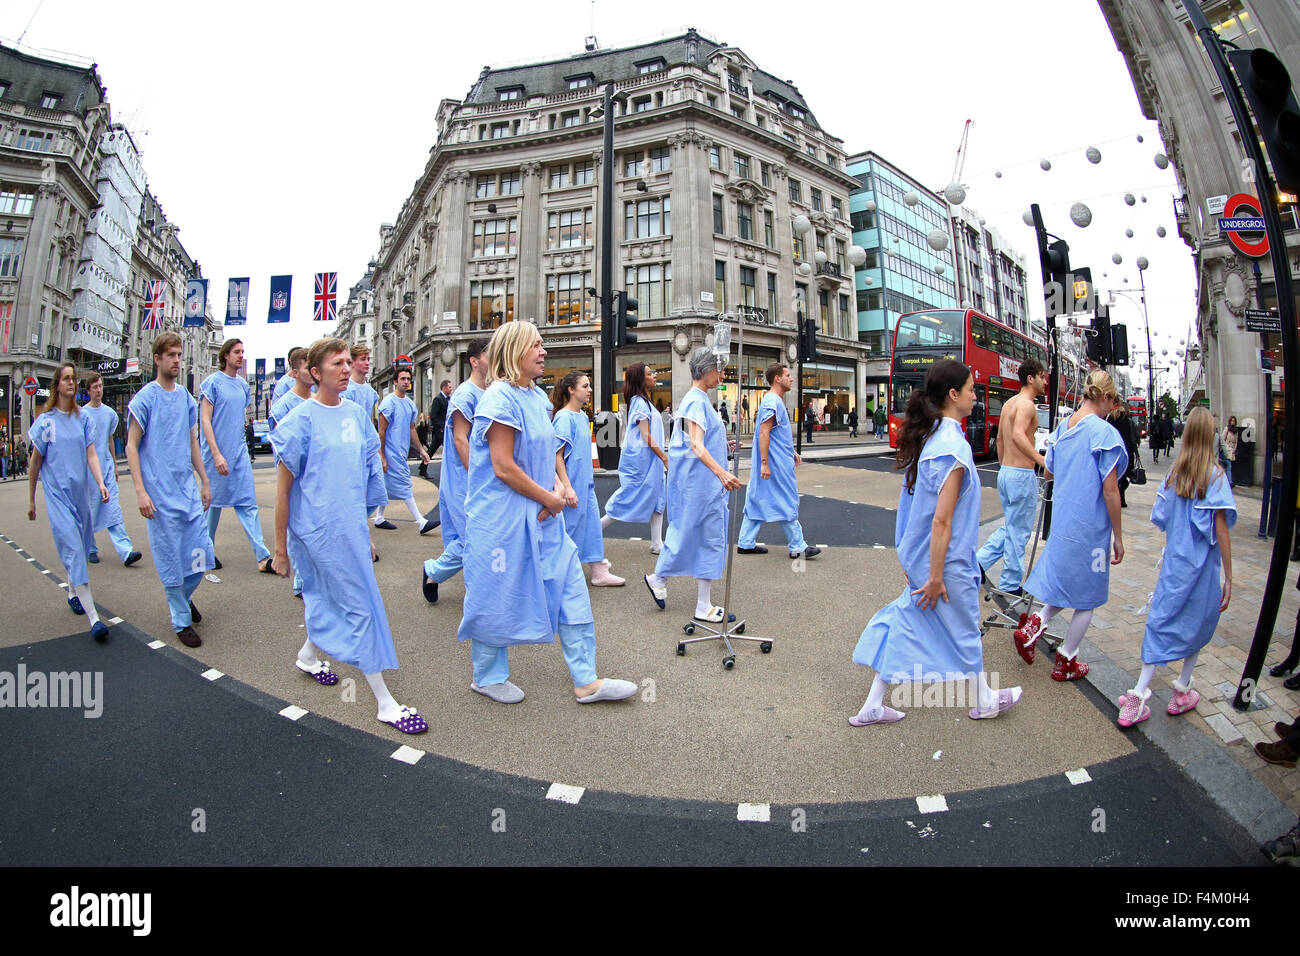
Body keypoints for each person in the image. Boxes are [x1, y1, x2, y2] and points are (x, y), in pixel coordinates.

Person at [457, 322, 637, 705]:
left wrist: (557, 488)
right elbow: (503, 467)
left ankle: (586, 680)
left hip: (543, 516)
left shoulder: (537, 398)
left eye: (542, 345)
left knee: (572, 586)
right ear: (514, 350)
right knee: (497, 596)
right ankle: (487, 677)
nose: (543, 351)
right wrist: (548, 497)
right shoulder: (498, 399)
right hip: (503, 523)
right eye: (535, 345)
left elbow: (547, 455)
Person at [270, 337, 427, 735]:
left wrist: (366, 530)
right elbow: (284, 491)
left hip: (351, 528)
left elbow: (357, 478)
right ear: (315, 372)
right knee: (359, 605)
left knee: (330, 598)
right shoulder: (298, 422)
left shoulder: (358, 414)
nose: (345, 369)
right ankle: (385, 702)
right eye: (336, 363)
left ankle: (307, 655)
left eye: (347, 362)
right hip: (316, 532)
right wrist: (280, 548)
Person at [850, 359, 1022, 725]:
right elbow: (941, 521)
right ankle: (984, 699)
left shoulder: (936, 440)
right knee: (961, 628)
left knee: (910, 622)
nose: (977, 397)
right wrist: (935, 575)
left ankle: (875, 704)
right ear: (953, 394)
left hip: (927, 557)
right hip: (945, 561)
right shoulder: (951, 449)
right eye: (973, 390)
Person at [1117, 407, 1234, 726]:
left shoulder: (1173, 476)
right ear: (1210, 435)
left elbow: (1162, 519)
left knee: (1161, 623)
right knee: (1198, 623)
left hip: (1174, 564)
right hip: (1204, 569)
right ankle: (1181, 688)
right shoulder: (1217, 476)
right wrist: (1229, 577)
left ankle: (1140, 693)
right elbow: (1221, 530)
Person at [1016, 370, 1127, 679]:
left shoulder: (1064, 427)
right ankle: (1067, 659)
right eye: (1113, 401)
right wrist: (1118, 536)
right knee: (1087, 597)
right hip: (1090, 528)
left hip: (1064, 522)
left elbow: (1049, 471)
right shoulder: (1105, 435)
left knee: (1067, 583)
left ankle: (1034, 624)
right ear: (1105, 398)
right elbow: (1110, 490)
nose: (1112, 407)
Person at [126, 333, 214, 648]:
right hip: (159, 495)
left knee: (201, 554)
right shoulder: (145, 398)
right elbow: (131, 445)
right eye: (171, 355)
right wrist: (140, 490)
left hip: (186, 491)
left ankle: (184, 597)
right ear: (158, 359)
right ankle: (180, 620)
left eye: (179, 355)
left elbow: (193, 441)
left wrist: (204, 480)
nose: (177, 360)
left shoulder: (186, 399)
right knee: (170, 560)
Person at [644, 347, 743, 621]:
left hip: (702, 486)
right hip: (702, 486)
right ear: (707, 370)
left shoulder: (696, 401)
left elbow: (698, 442)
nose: (722, 375)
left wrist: (725, 446)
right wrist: (722, 473)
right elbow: (696, 446)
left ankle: (671, 586)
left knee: (696, 535)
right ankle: (695, 601)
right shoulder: (696, 402)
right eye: (719, 369)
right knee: (701, 536)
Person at [27, 362, 112, 642]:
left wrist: (100, 482)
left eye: (74, 379)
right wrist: (31, 501)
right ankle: (94, 619)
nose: (71, 383)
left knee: (79, 544)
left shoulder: (83, 419)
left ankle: (72, 591)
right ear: (56, 385)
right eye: (66, 379)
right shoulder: (46, 421)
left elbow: (91, 454)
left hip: (81, 494)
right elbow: (35, 462)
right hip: (57, 496)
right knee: (74, 550)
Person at [200, 338, 275, 574]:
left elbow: (238, 419)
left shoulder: (243, 386)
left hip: (238, 453)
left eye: (242, 352)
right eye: (236, 352)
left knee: (247, 503)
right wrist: (216, 453)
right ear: (225, 356)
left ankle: (262, 556)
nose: (240, 355)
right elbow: (205, 420)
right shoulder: (211, 383)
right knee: (212, 506)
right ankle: (204, 551)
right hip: (215, 454)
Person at [422, 339, 489, 603]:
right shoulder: (465, 394)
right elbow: (461, 439)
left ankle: (435, 572)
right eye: (488, 355)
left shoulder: (488, 392)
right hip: (465, 479)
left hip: (481, 478)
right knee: (472, 537)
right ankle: (474, 594)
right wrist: (477, 475)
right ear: (474, 360)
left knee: (477, 536)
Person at [976, 359, 1048, 594]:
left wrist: (1007, 464)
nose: (1045, 381)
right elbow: (1018, 435)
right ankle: (1010, 584)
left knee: (1012, 526)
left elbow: (1000, 439)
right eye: (1042, 376)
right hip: (1020, 473)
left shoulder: (1009, 403)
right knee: (1019, 532)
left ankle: (979, 563)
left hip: (1006, 471)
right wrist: (1041, 460)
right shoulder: (1027, 405)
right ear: (1031, 378)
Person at [737, 363, 819, 560]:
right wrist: (765, 463)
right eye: (788, 375)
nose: (791, 379)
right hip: (776, 465)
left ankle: (745, 542)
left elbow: (774, 434)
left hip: (776, 460)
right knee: (787, 499)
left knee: (757, 498)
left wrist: (791, 451)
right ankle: (797, 546)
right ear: (777, 379)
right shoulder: (773, 402)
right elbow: (764, 432)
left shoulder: (773, 401)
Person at [552, 372, 625, 586]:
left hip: (586, 484)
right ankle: (563, 573)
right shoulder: (564, 418)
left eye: (589, 385)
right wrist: (566, 487)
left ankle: (598, 571)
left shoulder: (583, 416)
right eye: (585, 386)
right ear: (571, 390)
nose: (590, 389)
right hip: (572, 486)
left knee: (592, 527)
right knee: (570, 530)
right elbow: (557, 456)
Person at [601, 362, 667, 553]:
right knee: (626, 499)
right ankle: (594, 533)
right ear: (640, 379)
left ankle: (657, 543)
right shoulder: (639, 402)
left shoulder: (643, 401)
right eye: (649, 373)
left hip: (649, 462)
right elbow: (646, 435)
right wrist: (664, 457)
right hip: (641, 463)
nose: (654, 375)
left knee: (658, 498)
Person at [269, 350, 319, 598]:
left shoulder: (317, 401)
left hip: (314, 474)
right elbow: (280, 446)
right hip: (294, 473)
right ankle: (301, 580)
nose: (312, 370)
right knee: (295, 525)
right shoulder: (283, 406)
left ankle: (304, 579)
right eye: (307, 366)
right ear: (295, 371)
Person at [82, 372, 142, 568]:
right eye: (95, 387)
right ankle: (90, 548)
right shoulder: (82, 414)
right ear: (89, 391)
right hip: (90, 470)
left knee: (113, 508)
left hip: (106, 468)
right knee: (90, 509)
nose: (99, 390)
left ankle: (125, 552)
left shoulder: (109, 414)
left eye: (100, 386)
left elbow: (109, 440)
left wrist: (114, 466)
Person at [375, 368, 436, 534]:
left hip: (401, 451)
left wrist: (422, 450)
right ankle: (421, 521)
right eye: (402, 379)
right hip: (390, 451)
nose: (406, 381)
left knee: (387, 485)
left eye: (408, 379)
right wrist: (382, 455)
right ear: (395, 381)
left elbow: (411, 429)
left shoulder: (409, 404)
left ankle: (379, 517)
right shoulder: (388, 403)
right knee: (404, 483)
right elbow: (382, 431)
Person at [1111, 404, 1140, 508]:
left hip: (1113, 450)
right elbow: (1132, 437)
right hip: (1126, 451)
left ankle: (1118, 496)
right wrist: (1136, 452)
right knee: (1125, 475)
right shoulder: (1128, 421)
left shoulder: (1110, 419)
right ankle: (1121, 497)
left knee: (1115, 476)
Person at [341, 345, 379, 421]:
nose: (367, 363)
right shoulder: (345, 389)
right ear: (352, 362)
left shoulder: (371, 392)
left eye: (368, 359)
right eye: (363, 359)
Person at [429, 379, 452, 459]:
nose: (451, 389)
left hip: (445, 428)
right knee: (449, 449)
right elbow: (433, 416)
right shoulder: (438, 399)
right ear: (444, 388)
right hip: (440, 430)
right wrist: (441, 426)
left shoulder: (449, 399)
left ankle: (423, 467)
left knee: (432, 449)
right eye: (449, 387)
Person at [1220, 415, 1238, 488]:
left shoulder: (1236, 431)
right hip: (1226, 449)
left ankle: (1223, 481)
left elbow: (1236, 441)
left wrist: (1234, 449)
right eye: (1232, 420)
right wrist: (1223, 448)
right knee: (1229, 465)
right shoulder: (1227, 429)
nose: (1233, 422)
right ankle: (1230, 482)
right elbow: (1222, 439)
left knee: (1225, 466)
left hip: (1232, 450)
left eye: (1234, 421)